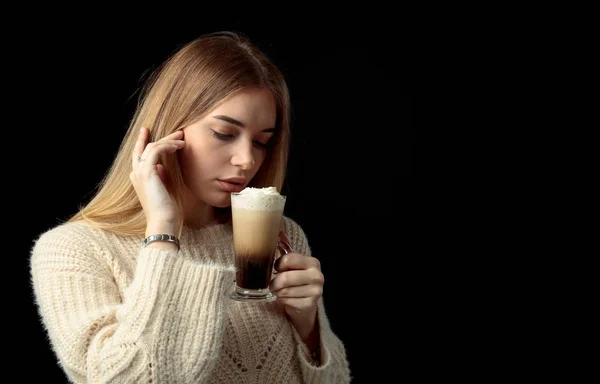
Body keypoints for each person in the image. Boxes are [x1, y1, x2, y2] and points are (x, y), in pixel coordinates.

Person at [29, 31, 351, 383]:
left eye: (262, 142)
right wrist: (163, 232)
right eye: (224, 134)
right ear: (171, 131)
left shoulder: (282, 236)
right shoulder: (74, 250)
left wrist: (309, 330)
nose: (247, 160)